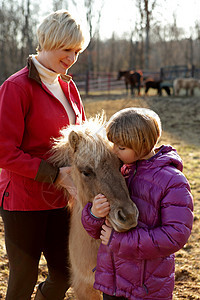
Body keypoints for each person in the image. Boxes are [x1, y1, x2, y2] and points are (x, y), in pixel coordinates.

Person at [0, 9, 88, 300]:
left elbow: (80, 139)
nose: (72, 58)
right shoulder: (16, 87)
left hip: (63, 199)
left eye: (77, 51)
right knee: (22, 280)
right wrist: (54, 174)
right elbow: (3, 150)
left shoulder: (69, 86)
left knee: (64, 276)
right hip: (24, 201)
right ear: (48, 41)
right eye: (66, 49)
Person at [81, 107, 194, 300]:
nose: (114, 150)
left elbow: (175, 236)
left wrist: (119, 240)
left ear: (141, 145)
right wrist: (94, 215)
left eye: (121, 147)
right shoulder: (120, 172)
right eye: (113, 144)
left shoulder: (172, 181)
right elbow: (99, 232)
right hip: (112, 283)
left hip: (145, 287)